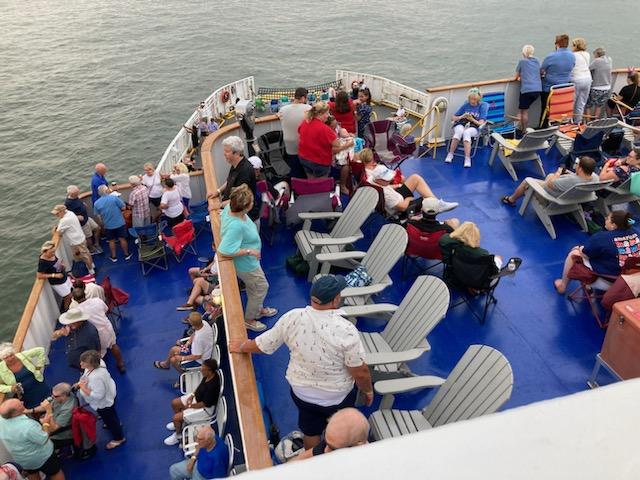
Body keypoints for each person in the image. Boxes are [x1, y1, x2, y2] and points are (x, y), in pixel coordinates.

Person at [228, 275, 374, 450]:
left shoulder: (292, 317)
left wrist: (242, 346)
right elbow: (360, 372)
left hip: (302, 393)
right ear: (335, 300)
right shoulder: (347, 330)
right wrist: (367, 390)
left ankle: (311, 459)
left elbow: (264, 344)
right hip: (336, 396)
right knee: (341, 427)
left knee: (310, 429)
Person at [214, 185, 277, 331]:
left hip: (250, 263)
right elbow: (224, 250)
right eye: (251, 201)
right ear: (245, 207)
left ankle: (258, 308)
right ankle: (249, 319)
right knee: (261, 287)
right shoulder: (236, 226)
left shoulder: (231, 207)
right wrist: (249, 251)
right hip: (247, 266)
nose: (253, 202)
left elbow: (225, 205)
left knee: (253, 288)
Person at [554, 211, 640, 294]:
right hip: (633, 278)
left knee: (574, 254)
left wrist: (579, 248)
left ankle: (562, 286)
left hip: (612, 281)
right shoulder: (636, 233)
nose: (605, 218)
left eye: (608, 218)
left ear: (614, 225)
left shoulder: (602, 238)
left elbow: (585, 253)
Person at [0, 398, 65, 480]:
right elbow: (44, 439)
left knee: (32, 473)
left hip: (23, 459)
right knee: (55, 472)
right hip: (42, 457)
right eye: (20, 404)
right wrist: (45, 423)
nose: (22, 402)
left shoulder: (1, 420)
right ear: (16, 412)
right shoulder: (28, 426)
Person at [365, 160, 458, 216]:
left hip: (397, 195)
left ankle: (437, 203)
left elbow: (385, 186)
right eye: (387, 179)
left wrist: (396, 186)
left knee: (415, 178)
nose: (390, 180)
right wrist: (408, 199)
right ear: (380, 180)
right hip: (400, 206)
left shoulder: (372, 179)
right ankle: (436, 206)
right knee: (425, 200)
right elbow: (402, 208)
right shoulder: (385, 194)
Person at [75, 350, 126, 449]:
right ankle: (114, 422)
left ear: (91, 364)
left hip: (103, 403)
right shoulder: (98, 364)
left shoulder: (96, 378)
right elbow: (86, 375)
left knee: (110, 418)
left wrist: (83, 388)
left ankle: (119, 438)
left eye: (83, 362)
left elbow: (98, 395)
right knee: (111, 415)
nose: (80, 363)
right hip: (109, 396)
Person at [501, 155, 598, 207]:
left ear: (580, 169)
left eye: (577, 165)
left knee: (527, 181)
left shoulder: (573, 180)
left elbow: (551, 184)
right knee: (550, 175)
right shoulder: (594, 178)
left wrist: (558, 173)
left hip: (556, 197)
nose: (576, 166)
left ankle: (511, 200)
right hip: (574, 197)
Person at [163, 359, 221, 446]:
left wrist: (190, 406)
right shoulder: (207, 375)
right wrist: (192, 395)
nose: (201, 369)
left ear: (210, 371)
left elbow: (204, 404)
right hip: (197, 400)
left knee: (176, 418)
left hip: (205, 410)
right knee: (174, 403)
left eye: (203, 368)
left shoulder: (213, 387)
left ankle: (179, 436)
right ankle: (180, 423)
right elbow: (200, 387)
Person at [207, 135, 260, 223]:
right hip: (233, 209)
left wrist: (219, 205)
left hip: (245, 218)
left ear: (236, 153)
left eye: (227, 151)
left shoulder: (245, 172)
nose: (224, 153)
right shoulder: (235, 164)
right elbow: (230, 180)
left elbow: (239, 200)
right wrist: (218, 191)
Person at [71, 288, 126, 373]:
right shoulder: (97, 300)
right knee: (113, 345)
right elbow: (106, 310)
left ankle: (102, 372)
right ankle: (121, 364)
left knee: (98, 354)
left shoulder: (78, 311)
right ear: (85, 294)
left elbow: (79, 325)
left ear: (74, 299)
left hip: (96, 334)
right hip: (107, 327)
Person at [297, 102, 354, 178]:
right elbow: (337, 144)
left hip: (304, 158)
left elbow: (300, 132)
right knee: (321, 184)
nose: (328, 116)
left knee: (311, 180)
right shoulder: (325, 129)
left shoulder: (305, 122)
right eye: (327, 113)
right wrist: (348, 143)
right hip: (320, 161)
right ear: (320, 114)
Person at [292, 408, 369, 460]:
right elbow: (305, 457)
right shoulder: (336, 443)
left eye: (333, 449)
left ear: (359, 445)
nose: (325, 450)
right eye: (326, 441)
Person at [154, 312, 214, 376]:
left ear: (192, 324)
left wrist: (182, 358)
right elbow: (195, 333)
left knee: (173, 360)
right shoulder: (204, 323)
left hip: (199, 360)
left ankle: (183, 374)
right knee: (173, 349)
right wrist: (188, 343)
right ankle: (166, 364)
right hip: (195, 350)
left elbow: (197, 356)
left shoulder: (198, 339)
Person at [444, 88, 489, 168]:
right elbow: (453, 118)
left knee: (466, 133)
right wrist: (462, 116)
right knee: (459, 132)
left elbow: (481, 123)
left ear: (478, 99)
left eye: (474, 99)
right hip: (462, 123)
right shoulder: (466, 105)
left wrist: (472, 119)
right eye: (471, 99)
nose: (472, 101)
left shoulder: (483, 106)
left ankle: (467, 158)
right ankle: (450, 154)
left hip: (475, 126)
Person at [27, 383, 77, 452]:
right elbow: (45, 406)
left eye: (55, 396)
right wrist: (29, 411)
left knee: (39, 444)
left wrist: (48, 411)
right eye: (52, 394)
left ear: (64, 396)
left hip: (61, 433)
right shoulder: (58, 397)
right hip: (53, 419)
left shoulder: (68, 409)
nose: (52, 397)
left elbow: (53, 429)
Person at [540, 34, 576, 128]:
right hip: (565, 90)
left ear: (557, 44)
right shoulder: (572, 56)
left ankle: (543, 128)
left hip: (550, 89)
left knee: (545, 109)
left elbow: (542, 70)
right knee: (561, 109)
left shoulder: (551, 56)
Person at [0, 343, 49, 409]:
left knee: (50, 402)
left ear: (14, 353)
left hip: (39, 385)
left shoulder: (22, 355)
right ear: (2, 359)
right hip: (25, 395)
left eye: (11, 355)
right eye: (6, 358)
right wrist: (10, 388)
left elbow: (40, 350)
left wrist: (38, 368)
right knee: (34, 410)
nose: (10, 359)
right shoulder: (1, 368)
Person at [51, 204, 94, 275]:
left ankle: (91, 271)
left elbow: (58, 233)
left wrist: (54, 229)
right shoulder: (70, 213)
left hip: (76, 241)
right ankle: (91, 265)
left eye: (57, 213)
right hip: (81, 237)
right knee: (86, 253)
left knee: (85, 256)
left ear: (62, 211)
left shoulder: (64, 220)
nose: (56, 215)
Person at [278, 87, 311, 177]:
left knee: (295, 169)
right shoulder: (308, 108)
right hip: (303, 145)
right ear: (303, 98)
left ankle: (296, 186)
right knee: (306, 171)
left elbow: (280, 117)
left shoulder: (282, 109)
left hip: (289, 145)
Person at [93, 184, 132, 262]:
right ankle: (126, 254)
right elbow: (123, 207)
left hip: (108, 225)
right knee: (122, 238)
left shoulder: (96, 203)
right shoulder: (114, 198)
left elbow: (98, 215)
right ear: (106, 191)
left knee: (111, 240)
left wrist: (103, 224)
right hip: (119, 223)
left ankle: (114, 257)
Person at [65, 185, 102, 254]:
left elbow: (78, 201)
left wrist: (83, 204)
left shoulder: (75, 198)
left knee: (97, 228)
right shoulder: (68, 203)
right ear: (72, 194)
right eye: (76, 193)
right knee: (88, 237)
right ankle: (92, 249)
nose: (78, 194)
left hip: (87, 218)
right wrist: (76, 217)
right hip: (83, 223)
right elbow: (67, 215)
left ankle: (96, 243)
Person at [36, 240, 73, 310]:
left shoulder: (51, 254)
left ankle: (71, 306)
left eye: (54, 251)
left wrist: (62, 266)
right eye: (51, 252)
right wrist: (54, 275)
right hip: (58, 282)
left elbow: (56, 262)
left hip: (64, 276)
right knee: (68, 296)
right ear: (45, 251)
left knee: (70, 291)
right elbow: (39, 275)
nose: (53, 253)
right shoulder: (43, 262)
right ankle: (67, 310)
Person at [515, 45, 542, 132]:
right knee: (522, 109)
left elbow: (516, 77)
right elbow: (540, 72)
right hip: (537, 90)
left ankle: (523, 130)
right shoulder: (537, 61)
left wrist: (520, 78)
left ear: (523, 53)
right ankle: (521, 127)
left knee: (524, 111)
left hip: (526, 90)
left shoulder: (522, 61)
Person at [586, 48, 613, 119]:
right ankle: (595, 121)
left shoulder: (597, 61)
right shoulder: (609, 59)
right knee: (599, 105)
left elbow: (588, 69)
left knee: (588, 104)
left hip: (597, 87)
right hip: (607, 87)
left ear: (597, 54)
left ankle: (588, 122)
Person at [570, 38, 592, 124]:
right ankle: (577, 122)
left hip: (577, 79)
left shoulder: (572, 55)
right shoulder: (587, 54)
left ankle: (569, 122)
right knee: (581, 103)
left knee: (572, 103)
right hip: (587, 79)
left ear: (576, 46)